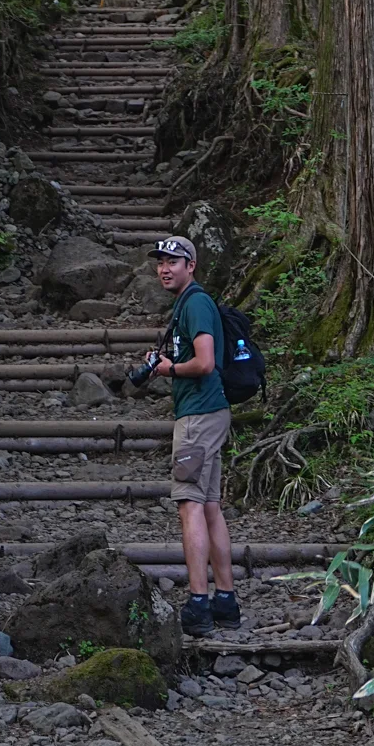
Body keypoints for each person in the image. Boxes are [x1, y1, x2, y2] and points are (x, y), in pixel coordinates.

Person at [146, 233, 240, 635]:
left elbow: (204, 363)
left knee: (190, 506)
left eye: (174, 261)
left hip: (199, 417)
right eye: (160, 262)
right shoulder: (189, 304)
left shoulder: (197, 304)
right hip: (210, 412)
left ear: (191, 266)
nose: (165, 268)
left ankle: (199, 605)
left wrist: (167, 369)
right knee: (210, 506)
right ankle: (225, 600)